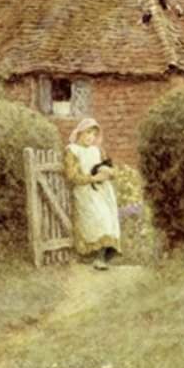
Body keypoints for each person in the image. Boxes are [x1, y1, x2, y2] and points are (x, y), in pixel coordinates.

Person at [63, 116, 121, 270]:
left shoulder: (97, 150)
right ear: (80, 132)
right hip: (85, 191)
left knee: (109, 220)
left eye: (94, 134)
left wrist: (109, 171)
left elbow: (113, 168)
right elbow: (72, 176)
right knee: (98, 220)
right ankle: (95, 257)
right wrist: (93, 178)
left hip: (103, 192)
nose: (91, 137)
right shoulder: (72, 150)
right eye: (88, 132)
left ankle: (101, 258)